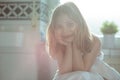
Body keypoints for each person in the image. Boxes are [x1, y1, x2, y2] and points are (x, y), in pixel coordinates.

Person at [46, 2, 120, 80]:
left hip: (95, 73)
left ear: (80, 24)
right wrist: (68, 45)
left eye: (70, 24)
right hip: (73, 75)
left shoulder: (94, 41)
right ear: (53, 29)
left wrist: (75, 43)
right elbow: (65, 71)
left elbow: (81, 69)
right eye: (59, 26)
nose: (65, 30)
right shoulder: (59, 45)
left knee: (81, 75)